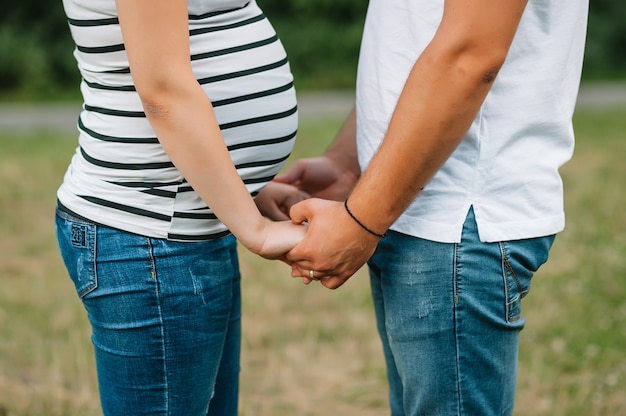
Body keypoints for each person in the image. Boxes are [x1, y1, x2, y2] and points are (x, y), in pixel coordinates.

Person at [276, 0, 590, 414]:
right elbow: (413, 35)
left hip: (455, 220)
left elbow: (469, 53)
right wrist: (350, 161)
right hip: (415, 209)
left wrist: (360, 219)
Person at [55, 0, 307, 414]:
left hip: (185, 223)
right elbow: (164, 91)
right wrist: (256, 231)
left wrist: (245, 189)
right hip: (152, 233)